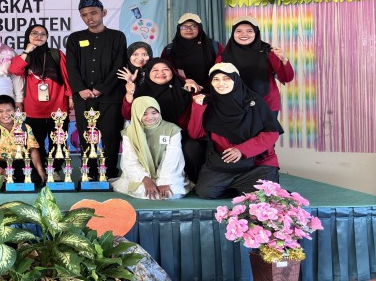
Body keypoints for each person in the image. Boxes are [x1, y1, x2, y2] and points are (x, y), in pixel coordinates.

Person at [188, 63, 283, 199]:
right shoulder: (208, 103)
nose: (221, 83)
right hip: (223, 163)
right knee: (205, 192)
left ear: (236, 80)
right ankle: (239, 189)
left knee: (263, 195)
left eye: (226, 78)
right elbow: (195, 134)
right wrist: (197, 107)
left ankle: (241, 187)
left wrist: (241, 150)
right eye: (216, 79)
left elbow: (271, 133)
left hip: (257, 163)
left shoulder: (254, 101)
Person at [65, 0, 127, 179]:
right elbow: (71, 67)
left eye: (93, 13)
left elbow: (119, 65)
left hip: (110, 96)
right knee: (87, 136)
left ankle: (110, 173)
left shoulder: (117, 37)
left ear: (103, 13)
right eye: (84, 15)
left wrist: (101, 88)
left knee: (111, 136)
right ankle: (90, 173)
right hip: (83, 97)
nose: (89, 18)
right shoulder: (75, 38)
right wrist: (80, 89)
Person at [8, 24, 72, 181]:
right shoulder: (25, 56)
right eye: (34, 33)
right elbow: (14, 70)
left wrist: (70, 96)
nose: (39, 36)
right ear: (28, 37)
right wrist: (27, 51)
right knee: (35, 141)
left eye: (43, 34)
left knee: (58, 141)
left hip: (58, 106)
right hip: (33, 108)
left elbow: (67, 76)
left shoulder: (56, 54)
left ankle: (55, 169)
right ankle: (40, 169)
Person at [123, 58, 203, 183]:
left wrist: (192, 85)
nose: (160, 73)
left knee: (192, 148)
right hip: (150, 135)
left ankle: (194, 180)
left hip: (181, 135)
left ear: (172, 72)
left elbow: (202, 101)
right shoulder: (141, 91)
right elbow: (128, 115)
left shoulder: (186, 89)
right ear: (148, 73)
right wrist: (129, 94)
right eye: (155, 70)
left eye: (165, 69)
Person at [112, 97, 188, 200]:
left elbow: (172, 157)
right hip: (142, 174)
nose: (150, 117)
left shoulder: (172, 129)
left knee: (169, 193)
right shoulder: (129, 133)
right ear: (137, 114)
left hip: (168, 173)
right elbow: (130, 160)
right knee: (143, 192)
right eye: (144, 114)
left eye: (154, 113)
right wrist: (145, 179)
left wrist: (165, 181)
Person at [218, 18, 294, 114]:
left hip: (267, 104)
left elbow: (286, 78)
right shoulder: (223, 57)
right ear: (233, 33)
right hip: (235, 104)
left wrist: (284, 60)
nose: (244, 34)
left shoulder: (268, 52)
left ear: (256, 33)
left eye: (249, 31)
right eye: (239, 31)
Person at [0, 95, 46, 184]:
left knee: (35, 180)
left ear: (15, 110)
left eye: (9, 110)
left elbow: (33, 150)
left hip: (19, 162)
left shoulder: (25, 128)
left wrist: (40, 170)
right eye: (0, 111)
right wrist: (0, 171)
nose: (5, 115)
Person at [161, 13, 224, 88]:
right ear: (179, 29)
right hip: (180, 90)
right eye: (184, 27)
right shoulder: (169, 49)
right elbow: (164, 69)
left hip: (212, 90)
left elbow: (223, 68)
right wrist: (185, 80)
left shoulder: (215, 46)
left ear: (199, 28)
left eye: (193, 26)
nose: (188, 29)